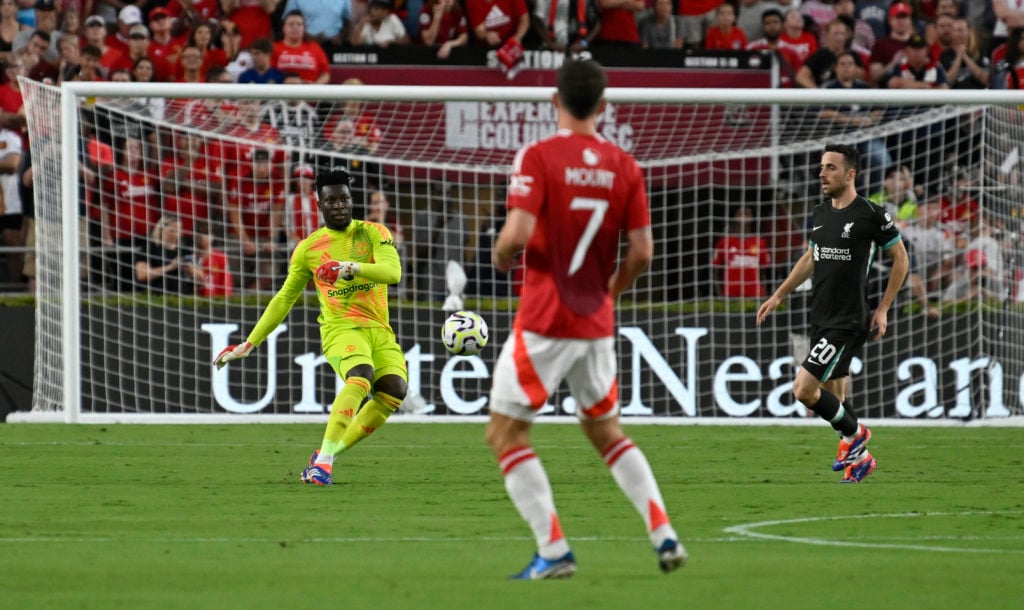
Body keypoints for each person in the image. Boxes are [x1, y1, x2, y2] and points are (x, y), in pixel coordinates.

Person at [487, 59, 686, 580]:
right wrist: (610, 293)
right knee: (605, 432)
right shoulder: (625, 164)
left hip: (546, 316)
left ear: (555, 101)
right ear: (603, 106)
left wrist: (501, 255)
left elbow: (517, 234)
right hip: (595, 319)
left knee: (505, 435)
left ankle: (553, 550)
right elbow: (643, 251)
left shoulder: (539, 155)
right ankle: (664, 533)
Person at [214, 167, 407, 487]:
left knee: (393, 393)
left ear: (351, 201)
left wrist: (349, 268)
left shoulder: (374, 232)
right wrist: (250, 342)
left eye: (344, 199)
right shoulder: (309, 249)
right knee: (361, 377)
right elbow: (285, 297)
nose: (339, 205)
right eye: (331, 201)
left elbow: (392, 272)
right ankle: (324, 466)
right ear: (320, 205)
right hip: (341, 329)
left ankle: (323, 455)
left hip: (379, 328)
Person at [756, 144, 908, 483]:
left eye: (830, 168)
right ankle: (861, 459)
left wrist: (882, 309)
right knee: (836, 397)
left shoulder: (871, 213)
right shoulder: (821, 212)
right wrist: (778, 295)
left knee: (804, 391)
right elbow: (811, 258)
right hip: (820, 316)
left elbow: (901, 258)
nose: (821, 173)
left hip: (848, 319)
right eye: (821, 167)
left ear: (850, 174)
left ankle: (857, 436)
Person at [134, 215, 204, 294]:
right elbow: (142, 275)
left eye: (178, 230)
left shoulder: (186, 251)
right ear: (162, 230)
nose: (176, 234)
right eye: (172, 230)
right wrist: (170, 266)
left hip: (182, 295)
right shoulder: (148, 249)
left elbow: (201, 280)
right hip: (157, 296)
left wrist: (189, 269)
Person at [712, 205, 772, 298]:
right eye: (740, 214)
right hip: (730, 296)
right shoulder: (724, 242)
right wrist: (720, 296)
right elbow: (716, 272)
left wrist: (764, 295)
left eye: (747, 214)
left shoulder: (760, 242)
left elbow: (764, 273)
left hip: (755, 295)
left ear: (752, 217)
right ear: (735, 217)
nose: (744, 217)